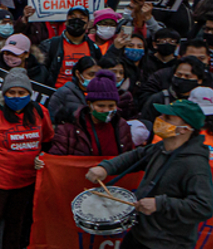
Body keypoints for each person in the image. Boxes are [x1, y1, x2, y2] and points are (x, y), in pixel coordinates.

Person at [86, 100, 213, 248]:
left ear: (185, 129)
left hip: (167, 243)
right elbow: (137, 156)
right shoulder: (161, 148)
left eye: (167, 118)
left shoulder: (195, 165)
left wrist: (159, 204)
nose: (160, 119)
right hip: (140, 234)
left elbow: (204, 206)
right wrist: (106, 168)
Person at [0, 67, 53, 249]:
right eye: (12, 92)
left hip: (26, 180)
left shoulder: (40, 112)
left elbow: (48, 141)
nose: (17, 97)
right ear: (5, 93)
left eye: (21, 93)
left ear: (29, 94)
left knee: (16, 221)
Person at [44, 70, 134, 158]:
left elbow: (130, 157)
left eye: (111, 106)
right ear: (89, 104)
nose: (106, 110)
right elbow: (56, 159)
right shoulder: (69, 128)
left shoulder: (122, 126)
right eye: (101, 106)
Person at [40, 6, 101, 89]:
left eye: (82, 18)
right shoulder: (50, 45)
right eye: (72, 17)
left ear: (88, 23)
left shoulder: (94, 48)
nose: (77, 20)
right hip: (56, 93)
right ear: (66, 21)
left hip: (84, 94)